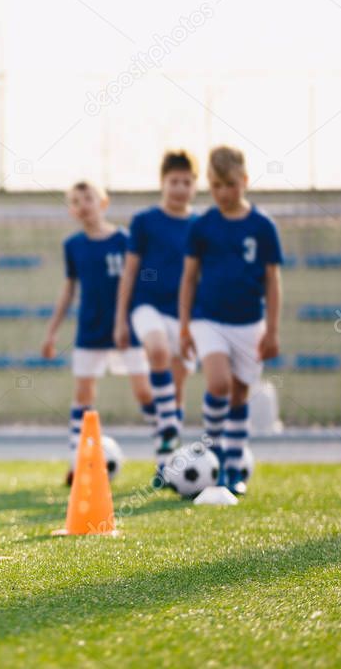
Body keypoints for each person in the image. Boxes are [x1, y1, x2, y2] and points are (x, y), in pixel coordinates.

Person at [179, 145, 283, 495]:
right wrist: (183, 326)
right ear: (209, 184)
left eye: (230, 184)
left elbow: (272, 280)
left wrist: (272, 329)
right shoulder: (203, 226)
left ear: (245, 181)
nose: (224, 192)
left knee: (240, 395)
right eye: (217, 185)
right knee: (219, 384)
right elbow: (189, 278)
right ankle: (217, 454)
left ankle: (233, 469)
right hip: (208, 319)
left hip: (249, 323)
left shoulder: (263, 226)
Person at [42, 181, 153, 485]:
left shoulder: (125, 240)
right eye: (75, 201)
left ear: (103, 202)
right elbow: (68, 290)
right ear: (72, 210)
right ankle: (76, 461)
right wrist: (52, 333)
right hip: (90, 331)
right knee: (83, 396)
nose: (83, 205)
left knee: (144, 391)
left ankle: (166, 455)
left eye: (88, 198)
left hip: (125, 331)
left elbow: (140, 285)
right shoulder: (73, 246)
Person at [114, 150, 199, 487]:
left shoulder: (199, 226)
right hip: (146, 307)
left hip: (184, 315)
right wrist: (121, 319)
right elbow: (130, 271)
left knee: (175, 395)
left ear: (195, 185)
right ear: (163, 183)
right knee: (159, 352)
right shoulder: (145, 221)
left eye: (186, 182)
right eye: (173, 181)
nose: (179, 188)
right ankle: (168, 433)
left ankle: (165, 465)